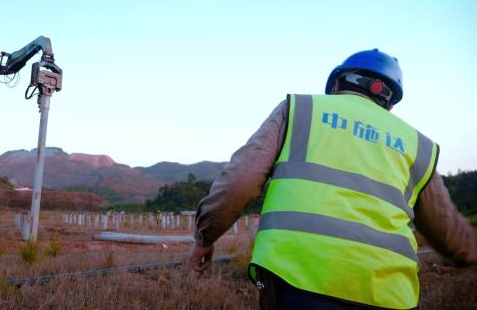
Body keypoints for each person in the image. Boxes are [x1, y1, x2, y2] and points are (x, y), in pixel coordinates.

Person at [189, 49, 477, 310]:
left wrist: (205, 236)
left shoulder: (300, 110)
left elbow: (240, 181)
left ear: (336, 85)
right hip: (389, 294)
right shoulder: (418, 145)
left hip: (293, 281)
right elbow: (449, 232)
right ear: (389, 102)